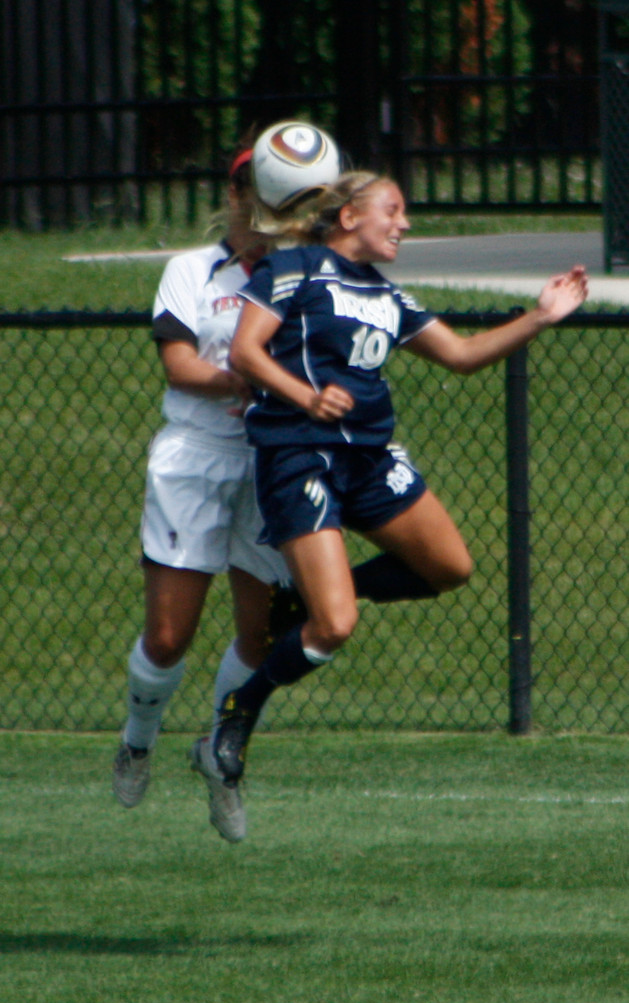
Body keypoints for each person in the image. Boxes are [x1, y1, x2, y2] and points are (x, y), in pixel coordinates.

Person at [211, 170, 589, 786]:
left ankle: (307, 598)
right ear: (350, 217)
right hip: (300, 454)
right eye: (392, 210)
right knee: (335, 627)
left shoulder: (387, 295)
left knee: (449, 568)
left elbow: (461, 355)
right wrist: (307, 397)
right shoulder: (295, 268)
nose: (404, 223)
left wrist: (541, 317)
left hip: (369, 458)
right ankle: (240, 709)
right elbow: (245, 353)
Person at [112, 125, 342, 844]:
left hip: (272, 460)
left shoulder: (305, 271)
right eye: (256, 189)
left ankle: (219, 751)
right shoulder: (193, 270)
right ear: (237, 193)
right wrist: (245, 379)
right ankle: (137, 740)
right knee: (168, 635)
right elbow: (179, 364)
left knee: (260, 631)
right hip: (196, 456)